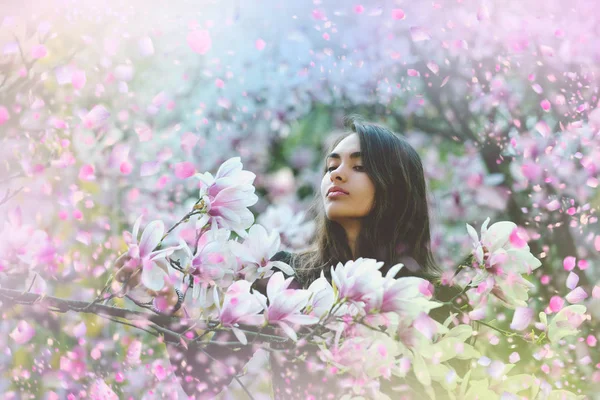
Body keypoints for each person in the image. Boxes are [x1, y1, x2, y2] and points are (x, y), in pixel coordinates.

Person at [165, 116, 466, 399]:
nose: (336, 174)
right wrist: (168, 305)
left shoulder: (439, 297)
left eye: (359, 167)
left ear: (394, 185)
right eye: (330, 166)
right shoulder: (287, 276)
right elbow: (201, 381)